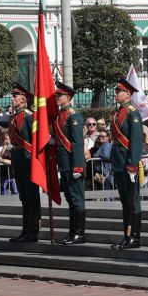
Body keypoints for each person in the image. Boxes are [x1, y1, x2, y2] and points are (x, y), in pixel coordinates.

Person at [110, 77, 143, 250]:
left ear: (128, 94)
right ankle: (126, 235)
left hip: (128, 162)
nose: (116, 94)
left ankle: (134, 237)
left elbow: (136, 141)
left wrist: (132, 164)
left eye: (119, 91)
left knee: (132, 200)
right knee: (124, 200)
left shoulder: (132, 113)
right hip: (118, 160)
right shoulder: (118, 112)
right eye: (116, 91)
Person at [53, 82, 87, 245]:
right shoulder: (60, 115)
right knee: (70, 198)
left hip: (73, 164)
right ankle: (72, 232)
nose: (57, 98)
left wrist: (78, 166)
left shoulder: (74, 116)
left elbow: (77, 143)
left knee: (76, 199)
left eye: (60, 95)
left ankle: (79, 233)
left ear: (68, 97)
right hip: (64, 164)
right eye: (57, 95)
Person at [7, 84, 39, 243]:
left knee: (32, 196)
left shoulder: (29, 116)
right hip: (18, 158)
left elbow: (36, 140)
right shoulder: (14, 117)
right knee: (24, 197)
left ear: (23, 99)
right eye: (12, 96)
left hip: (28, 158)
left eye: (15, 96)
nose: (12, 99)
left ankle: (33, 231)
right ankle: (25, 230)